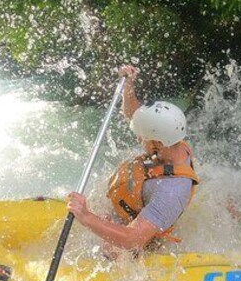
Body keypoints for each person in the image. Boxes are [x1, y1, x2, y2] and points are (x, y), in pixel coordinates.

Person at [66, 65, 199, 252]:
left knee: (109, 252)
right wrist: (128, 86)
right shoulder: (171, 139)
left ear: (156, 143)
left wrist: (86, 216)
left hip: (139, 242)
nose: (138, 138)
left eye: (141, 137)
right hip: (125, 212)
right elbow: (134, 114)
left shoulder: (172, 191)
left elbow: (133, 240)